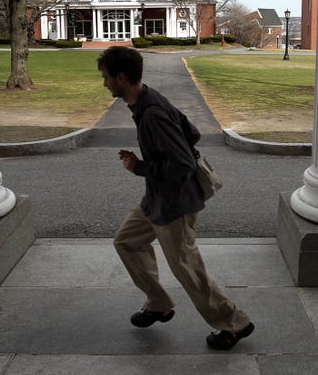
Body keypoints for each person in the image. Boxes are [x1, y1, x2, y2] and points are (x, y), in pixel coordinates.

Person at [97, 46, 254, 350]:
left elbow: (182, 163)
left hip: (175, 206)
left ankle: (235, 323)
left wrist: (139, 165)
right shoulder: (146, 100)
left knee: (188, 269)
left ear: (121, 77)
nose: (104, 83)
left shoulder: (152, 113)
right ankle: (158, 303)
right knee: (126, 241)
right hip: (156, 199)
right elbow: (191, 133)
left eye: (106, 78)